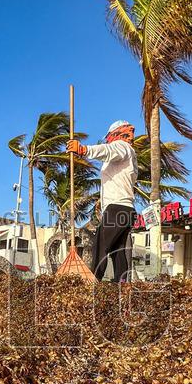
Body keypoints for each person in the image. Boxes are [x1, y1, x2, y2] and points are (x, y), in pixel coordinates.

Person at [67, 120, 138, 282]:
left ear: (116, 134)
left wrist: (83, 149)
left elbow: (108, 150)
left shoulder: (123, 147)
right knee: (117, 251)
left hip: (117, 208)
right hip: (125, 210)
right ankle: (121, 286)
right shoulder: (127, 155)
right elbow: (108, 153)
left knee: (100, 246)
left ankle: (93, 282)